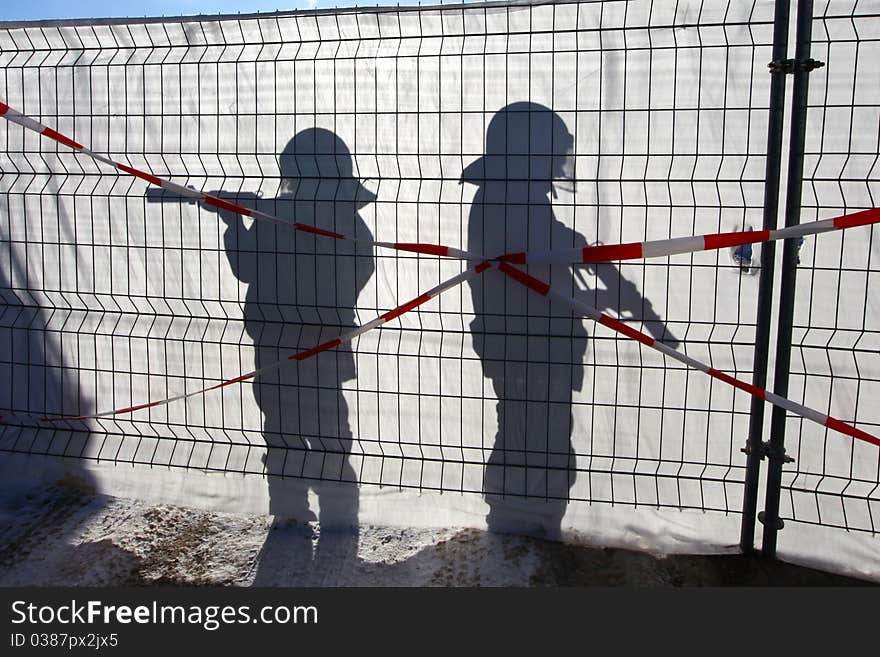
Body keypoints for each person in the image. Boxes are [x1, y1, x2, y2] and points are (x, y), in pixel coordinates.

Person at [462, 102, 679, 538]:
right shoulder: (508, 201)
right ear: (528, 154)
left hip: (527, 344)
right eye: (552, 154)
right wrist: (598, 293)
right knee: (536, 438)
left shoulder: (514, 197)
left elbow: (553, 249)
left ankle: (521, 522)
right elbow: (527, 272)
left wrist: (602, 280)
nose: (559, 165)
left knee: (532, 432)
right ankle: (521, 529)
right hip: (525, 346)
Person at [210, 128, 375, 574]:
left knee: (283, 426)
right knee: (327, 427)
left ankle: (290, 511)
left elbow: (248, 268)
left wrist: (234, 224)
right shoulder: (349, 221)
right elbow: (360, 273)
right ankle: (341, 512)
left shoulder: (276, 217)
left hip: (278, 341)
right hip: (323, 339)